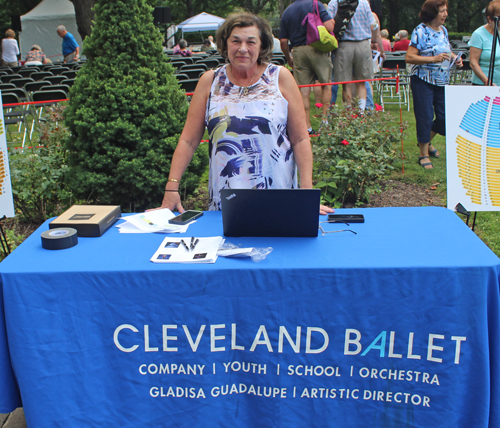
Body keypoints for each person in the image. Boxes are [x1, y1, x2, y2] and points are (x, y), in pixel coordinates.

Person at [158, 13, 333, 216]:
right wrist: (171, 188)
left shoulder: (281, 78)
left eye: (251, 42)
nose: (242, 49)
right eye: (236, 41)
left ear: (262, 46)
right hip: (226, 204)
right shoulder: (210, 82)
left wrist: (307, 192)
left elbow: (301, 138)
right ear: (225, 44)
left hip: (280, 197)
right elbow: (188, 140)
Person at [405, 0, 462, 169]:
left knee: (445, 117)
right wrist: (432, 59)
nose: (446, 14)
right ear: (432, 12)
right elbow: (409, 57)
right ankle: (423, 154)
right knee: (425, 117)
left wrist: (454, 58)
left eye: (446, 11)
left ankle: (427, 141)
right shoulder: (420, 31)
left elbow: (445, 50)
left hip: (442, 81)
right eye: (442, 11)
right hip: (423, 80)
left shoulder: (443, 30)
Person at [280, 0, 334, 134]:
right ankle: (325, 122)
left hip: (298, 51)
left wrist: (288, 58)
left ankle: (307, 126)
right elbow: (330, 26)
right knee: (326, 84)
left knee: (303, 90)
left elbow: (283, 41)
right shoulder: (316, 4)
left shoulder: (287, 11)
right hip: (317, 47)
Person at [327, 0, 384, 110]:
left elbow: (330, 25)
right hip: (363, 45)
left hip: (343, 45)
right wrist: (373, 41)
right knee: (361, 82)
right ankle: (362, 111)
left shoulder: (334, 2)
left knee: (346, 83)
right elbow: (373, 25)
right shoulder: (363, 2)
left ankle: (348, 111)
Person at [469, 0, 500, 86]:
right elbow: (473, 62)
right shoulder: (478, 35)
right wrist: (487, 81)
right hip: (483, 84)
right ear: (490, 19)